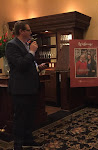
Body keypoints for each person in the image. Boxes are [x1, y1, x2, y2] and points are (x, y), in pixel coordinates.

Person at [5, 21, 47, 150]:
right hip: (20, 89)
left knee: (29, 116)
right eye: (29, 30)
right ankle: (17, 145)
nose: (30, 32)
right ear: (21, 31)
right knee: (20, 118)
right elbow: (21, 65)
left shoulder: (25, 45)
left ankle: (28, 140)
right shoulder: (11, 45)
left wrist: (38, 67)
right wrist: (32, 52)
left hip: (30, 87)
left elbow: (28, 66)